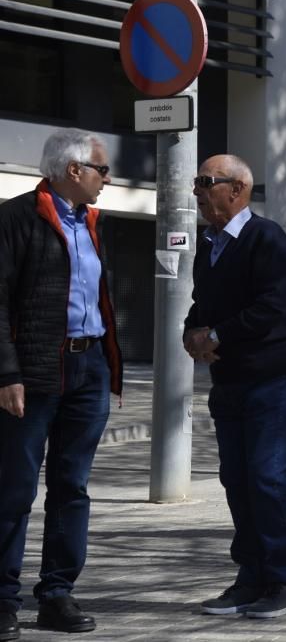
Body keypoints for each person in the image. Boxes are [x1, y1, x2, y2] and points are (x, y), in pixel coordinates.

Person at [0, 128, 123, 639]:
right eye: (102, 169)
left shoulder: (91, 222)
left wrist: (107, 365)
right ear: (74, 170)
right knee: (13, 489)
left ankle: (56, 594)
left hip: (88, 368)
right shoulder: (14, 217)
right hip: (33, 374)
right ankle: (3, 599)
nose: (107, 179)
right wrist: (6, 373)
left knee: (71, 488)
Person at [185, 154, 286, 619]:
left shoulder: (266, 237)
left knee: (266, 479)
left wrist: (215, 336)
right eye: (197, 182)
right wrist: (191, 333)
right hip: (230, 380)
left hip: (271, 378)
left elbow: (272, 307)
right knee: (236, 480)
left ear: (236, 189)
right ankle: (252, 576)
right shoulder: (209, 243)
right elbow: (203, 303)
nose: (197, 190)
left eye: (205, 181)